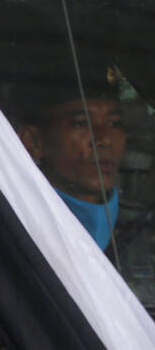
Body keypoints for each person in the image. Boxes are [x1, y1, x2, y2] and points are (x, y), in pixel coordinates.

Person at [16, 68, 154, 302]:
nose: (103, 139)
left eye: (114, 122)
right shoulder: (12, 225)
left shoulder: (145, 230)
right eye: (81, 123)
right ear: (33, 141)